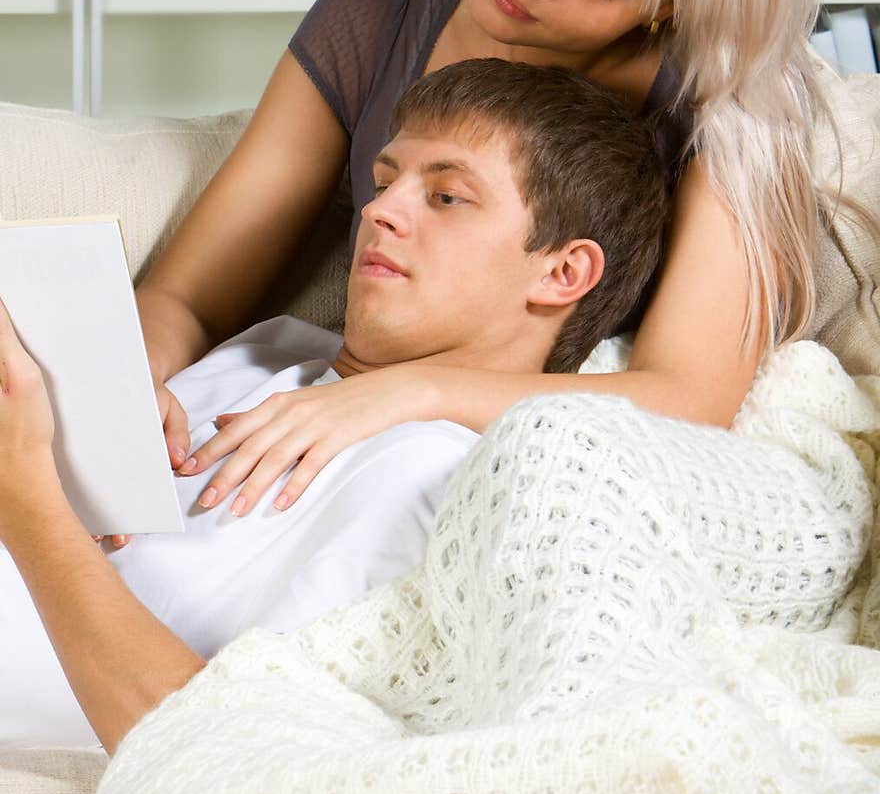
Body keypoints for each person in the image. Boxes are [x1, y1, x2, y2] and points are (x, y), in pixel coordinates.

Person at [129, 0, 850, 554]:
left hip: (526, 491)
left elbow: (686, 401)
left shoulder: (729, 115)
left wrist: (400, 394)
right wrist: (129, 385)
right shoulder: (372, 25)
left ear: (670, 1)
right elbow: (188, 296)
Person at [0, 58, 670, 751]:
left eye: (446, 196)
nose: (379, 209)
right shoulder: (276, 347)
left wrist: (26, 497)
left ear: (563, 271)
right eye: (384, 181)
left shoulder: (440, 480)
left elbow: (213, 751)